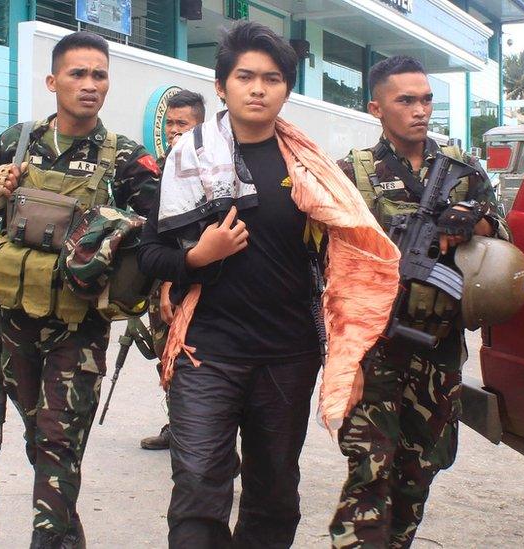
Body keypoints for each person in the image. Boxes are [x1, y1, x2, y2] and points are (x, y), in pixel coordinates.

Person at [137, 22, 400, 549]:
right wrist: (197, 256)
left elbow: (346, 265)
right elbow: (150, 255)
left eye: (273, 78)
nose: (258, 89)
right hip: (206, 352)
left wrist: (349, 355)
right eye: (245, 76)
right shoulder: (186, 161)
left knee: (274, 493)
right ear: (222, 86)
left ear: (286, 88)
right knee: (198, 489)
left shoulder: (312, 169)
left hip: (287, 356)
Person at [0, 31, 159, 549]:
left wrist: (114, 227)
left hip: (80, 326)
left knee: (59, 441)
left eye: (99, 75)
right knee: (40, 439)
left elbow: (159, 225)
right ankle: (66, 536)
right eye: (78, 73)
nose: (90, 84)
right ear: (53, 82)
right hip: (14, 319)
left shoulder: (125, 157)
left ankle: (47, 541)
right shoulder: (18, 141)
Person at [328, 55, 509, 549]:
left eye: (426, 98)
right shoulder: (353, 173)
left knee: (417, 472)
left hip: (438, 347)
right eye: (405, 100)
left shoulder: (463, 170)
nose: (420, 109)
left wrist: (471, 221)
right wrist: (343, 357)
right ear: (376, 108)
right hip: (374, 345)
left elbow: (504, 237)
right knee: (368, 471)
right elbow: (328, 267)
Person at [140, 88, 206, 451]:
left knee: (186, 356)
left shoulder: (203, 166)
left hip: (183, 279)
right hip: (157, 276)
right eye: (169, 123)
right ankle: (176, 424)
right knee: (163, 353)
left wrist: (170, 282)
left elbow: (187, 236)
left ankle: (196, 435)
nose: (173, 130)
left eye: (182, 123)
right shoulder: (163, 164)